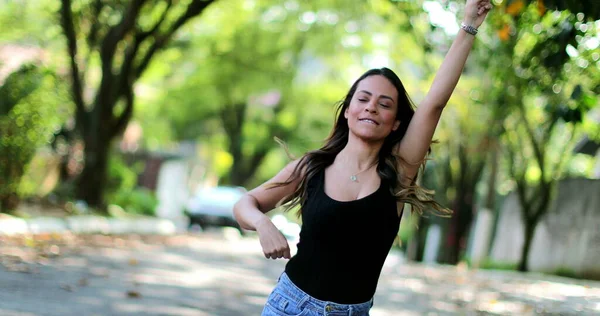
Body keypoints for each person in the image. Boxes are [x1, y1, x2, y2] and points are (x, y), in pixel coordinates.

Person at [233, 1, 492, 315]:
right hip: (290, 306)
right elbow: (244, 204)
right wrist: (264, 224)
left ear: (396, 122)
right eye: (364, 99)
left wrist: (469, 24)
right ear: (347, 112)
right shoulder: (311, 167)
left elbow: (434, 103)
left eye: (385, 104)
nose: (372, 107)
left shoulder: (399, 171)